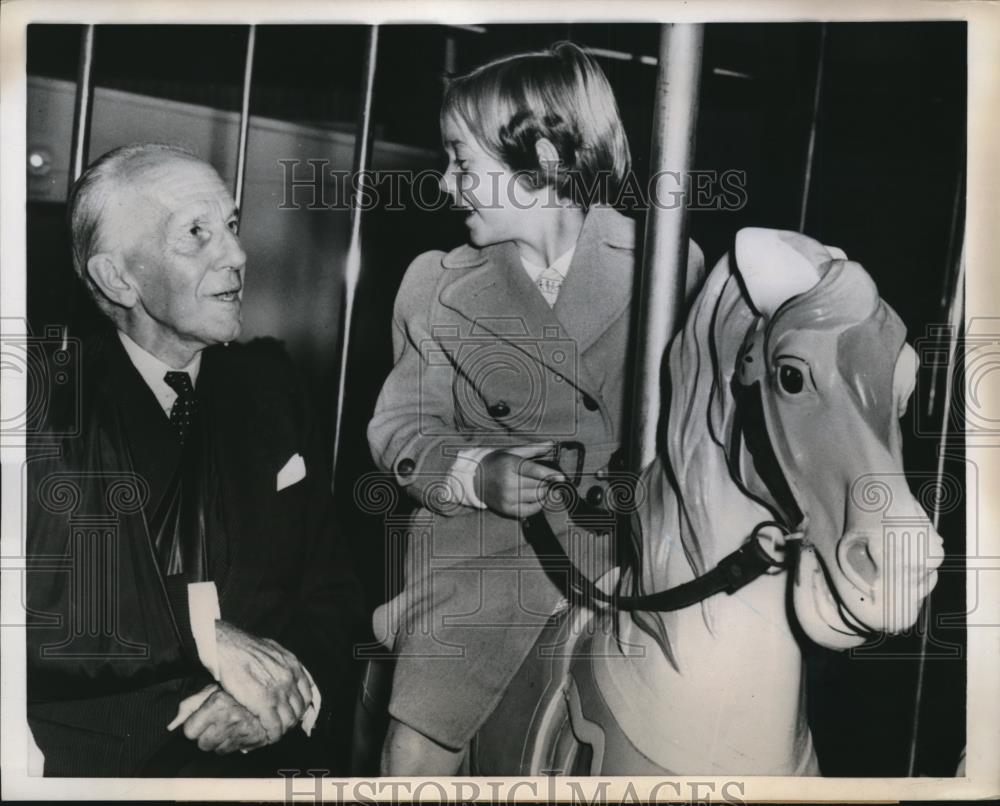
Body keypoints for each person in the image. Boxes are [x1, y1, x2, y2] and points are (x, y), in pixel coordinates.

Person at [367, 42, 703, 774]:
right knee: (419, 737)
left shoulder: (670, 268)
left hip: (631, 541)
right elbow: (401, 424)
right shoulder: (438, 285)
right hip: (488, 553)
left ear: (545, 160)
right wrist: (476, 470)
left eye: (463, 162)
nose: (448, 185)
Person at [26, 143, 364, 776]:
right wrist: (203, 630)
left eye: (231, 226)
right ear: (117, 278)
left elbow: (334, 590)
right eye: (196, 235)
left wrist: (288, 695)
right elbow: (34, 599)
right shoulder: (46, 399)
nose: (237, 255)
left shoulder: (275, 390)